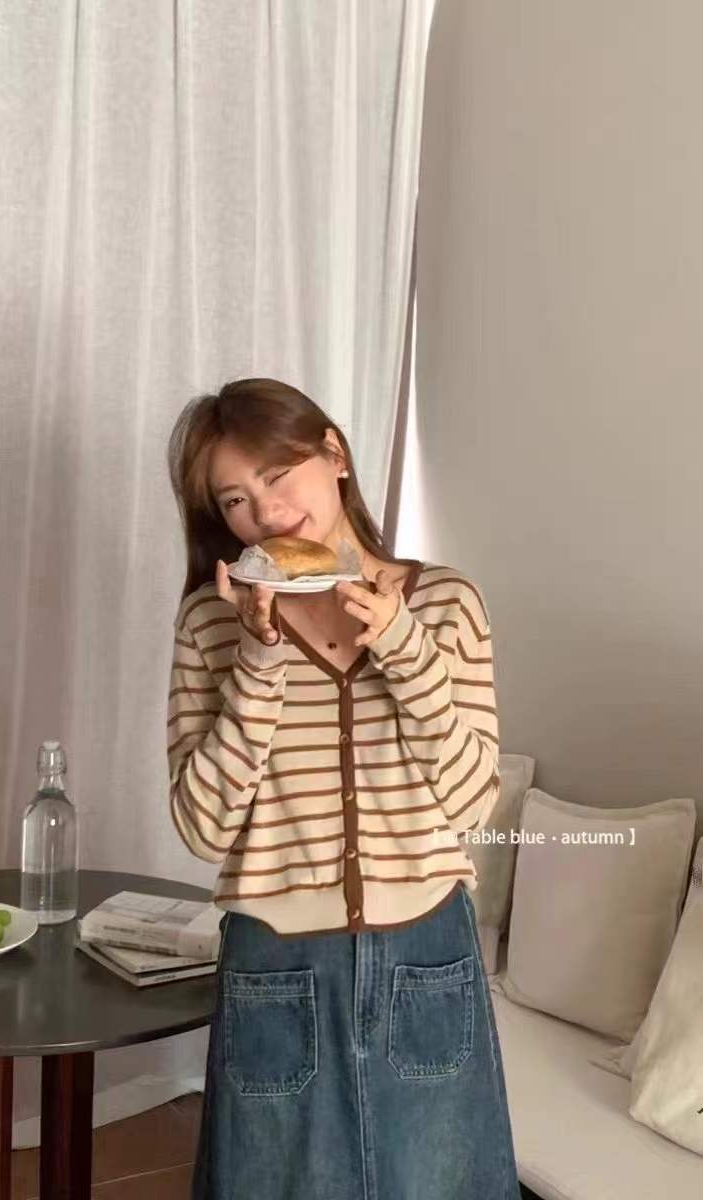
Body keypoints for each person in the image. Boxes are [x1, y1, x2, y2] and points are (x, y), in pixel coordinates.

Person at [165, 377, 520, 1199]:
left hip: (428, 958)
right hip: (275, 968)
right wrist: (258, 664)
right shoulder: (212, 624)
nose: (266, 511)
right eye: (235, 499)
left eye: (277, 474)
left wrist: (403, 645)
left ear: (334, 455)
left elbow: (472, 801)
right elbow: (202, 828)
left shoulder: (448, 604)